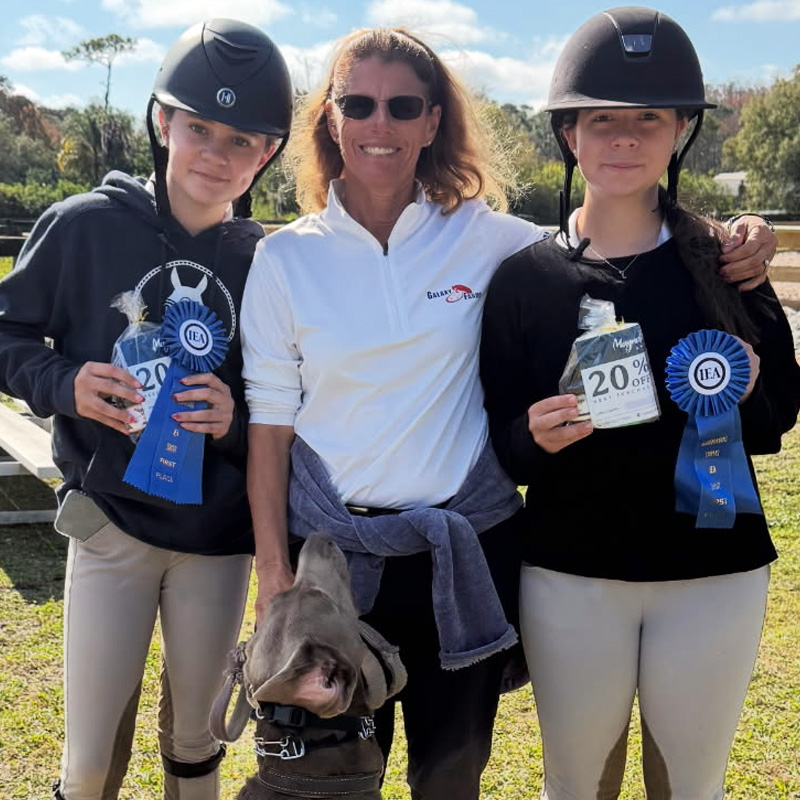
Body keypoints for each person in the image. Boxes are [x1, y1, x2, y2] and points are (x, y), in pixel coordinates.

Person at [239, 25, 778, 800]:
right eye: (358, 104)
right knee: (324, 785)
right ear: (330, 117)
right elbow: (270, 426)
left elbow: (605, 233)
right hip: (333, 564)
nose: (379, 125)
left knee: (452, 778)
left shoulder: (490, 239)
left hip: (462, 557)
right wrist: (274, 574)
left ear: (433, 122)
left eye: (403, 107)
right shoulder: (285, 257)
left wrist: (735, 235)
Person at [480, 7, 800, 799]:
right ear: (570, 135)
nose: (624, 138)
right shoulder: (524, 279)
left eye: (647, 119)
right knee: (573, 783)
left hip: (712, 572)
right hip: (569, 573)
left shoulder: (727, 264)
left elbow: (777, 421)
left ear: (680, 130)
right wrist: (531, 436)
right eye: (602, 120)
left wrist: (754, 385)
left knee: (693, 786)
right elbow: (499, 443)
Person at [0, 19, 292, 800]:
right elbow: (8, 333)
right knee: (90, 761)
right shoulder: (83, 226)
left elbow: (287, 407)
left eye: (242, 140)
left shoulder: (268, 262)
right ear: (163, 121)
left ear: (266, 155)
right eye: (199, 128)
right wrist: (65, 383)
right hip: (111, 530)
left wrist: (233, 421)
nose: (215, 154)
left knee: (196, 747)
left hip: (216, 545)